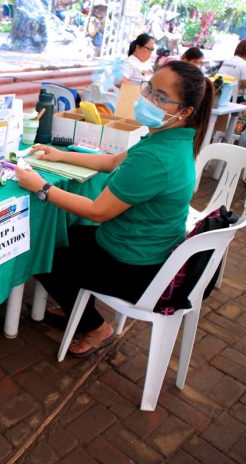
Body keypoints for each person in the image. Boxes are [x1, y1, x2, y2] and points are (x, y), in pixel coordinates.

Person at [15, 61, 213, 357]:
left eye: (159, 97)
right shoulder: (168, 139)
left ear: (184, 111)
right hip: (141, 248)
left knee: (43, 255)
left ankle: (95, 327)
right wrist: (61, 155)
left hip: (135, 266)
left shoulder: (157, 157)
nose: (147, 99)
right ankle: (76, 304)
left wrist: (41, 187)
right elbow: (110, 162)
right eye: (149, 89)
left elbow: (97, 211)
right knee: (67, 235)